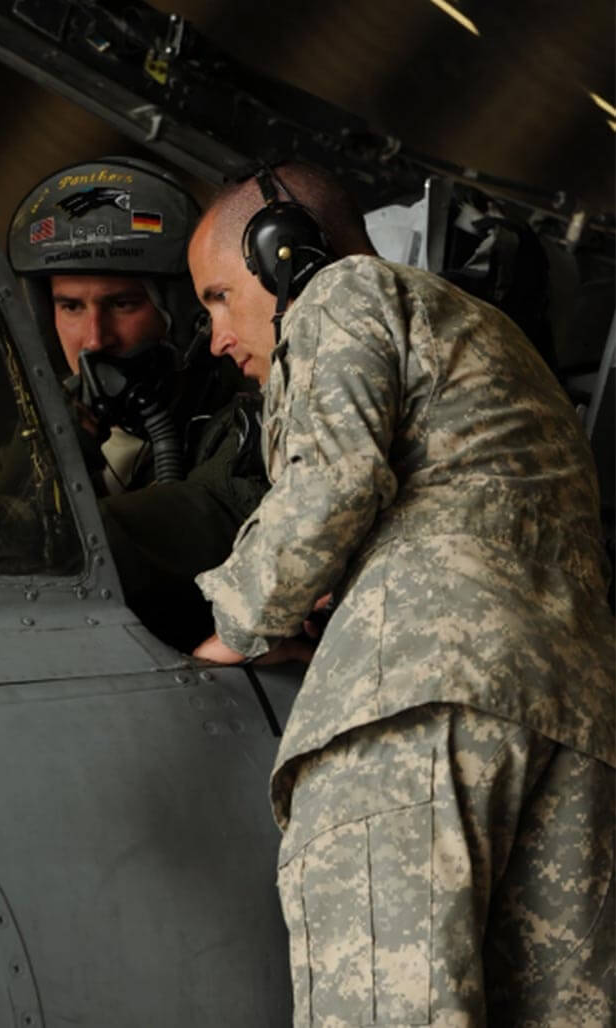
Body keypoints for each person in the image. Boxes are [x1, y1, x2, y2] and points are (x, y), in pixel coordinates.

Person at [187, 162, 615, 1024]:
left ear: (284, 256)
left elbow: (333, 484)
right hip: (572, 723)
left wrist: (231, 626)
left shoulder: (342, 292)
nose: (214, 338)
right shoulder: (490, 340)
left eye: (218, 298)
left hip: (417, 712)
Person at [0, 157, 268, 649]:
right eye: (71, 307)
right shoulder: (45, 431)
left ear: (185, 312)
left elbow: (200, 525)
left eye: (122, 304)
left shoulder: (249, 422)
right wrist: (59, 447)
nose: (94, 339)